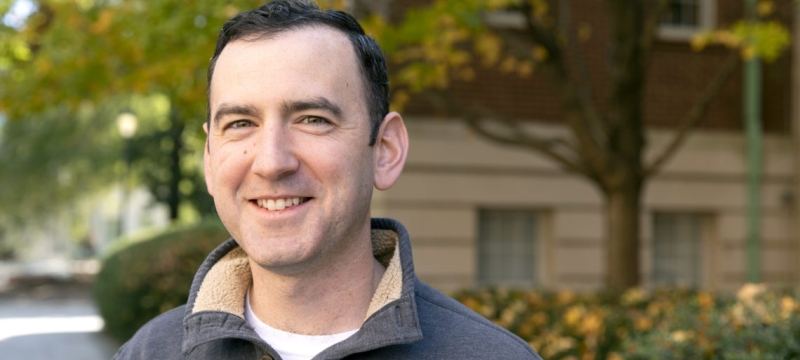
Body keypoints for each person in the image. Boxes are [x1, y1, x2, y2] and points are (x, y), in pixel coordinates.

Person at [113, 1, 542, 359]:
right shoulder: (147, 353)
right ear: (209, 159)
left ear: (386, 151)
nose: (271, 162)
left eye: (313, 119)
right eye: (241, 123)